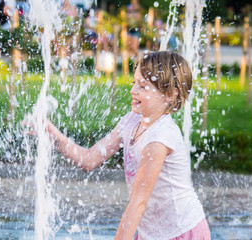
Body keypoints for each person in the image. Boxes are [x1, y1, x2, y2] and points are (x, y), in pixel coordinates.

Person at [32, 51, 210, 239]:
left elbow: (138, 203)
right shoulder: (132, 121)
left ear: (169, 95)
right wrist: (50, 132)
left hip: (181, 232)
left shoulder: (160, 137)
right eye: (135, 82)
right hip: (151, 233)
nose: (133, 90)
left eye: (143, 86)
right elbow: (88, 159)